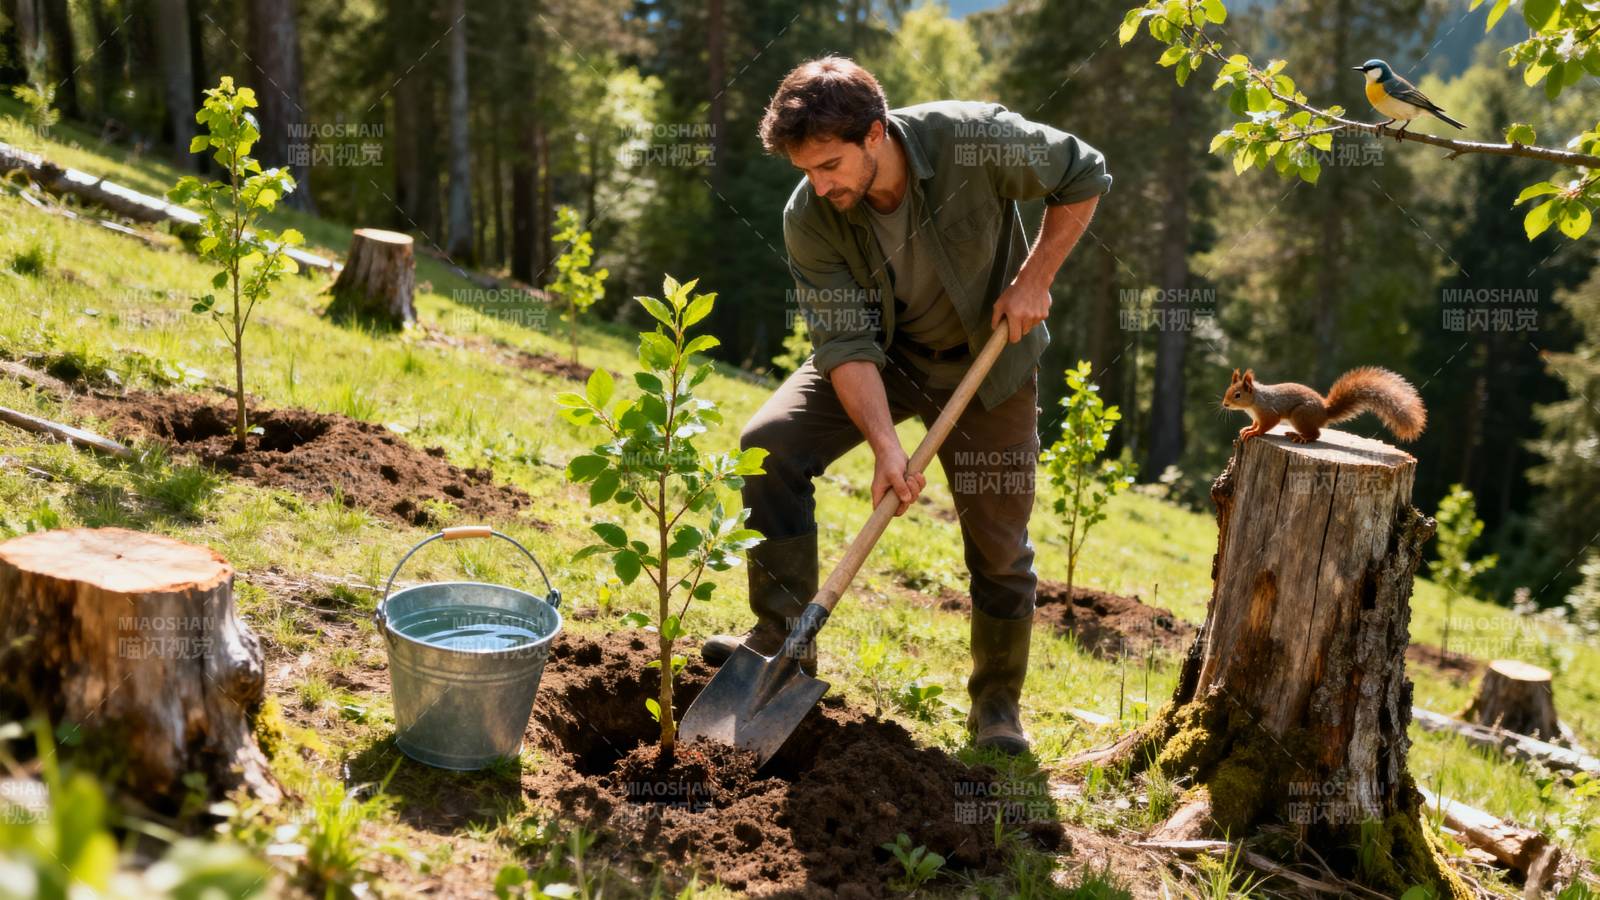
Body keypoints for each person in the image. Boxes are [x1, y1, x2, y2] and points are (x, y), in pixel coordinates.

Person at [701, 56, 1110, 755]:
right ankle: (780, 641)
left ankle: (997, 704)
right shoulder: (810, 214)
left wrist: (1035, 278)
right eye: (806, 170)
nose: (819, 184)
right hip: (884, 361)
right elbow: (844, 342)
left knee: (1000, 542)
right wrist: (887, 447)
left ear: (875, 132)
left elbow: (1084, 172)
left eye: (830, 165)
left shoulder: (971, 139)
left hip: (989, 363)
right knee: (768, 445)